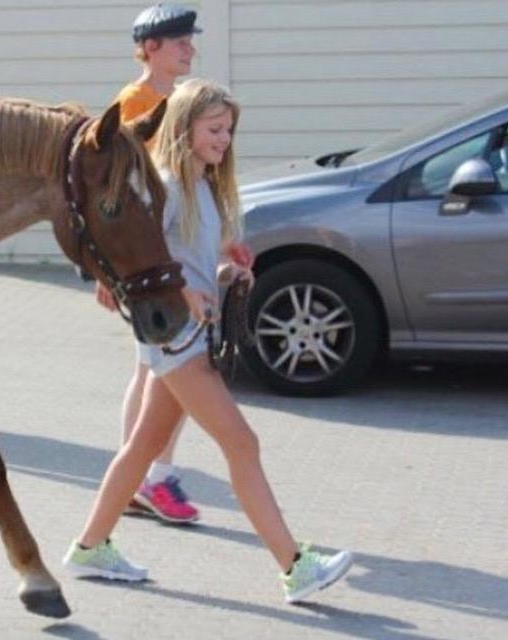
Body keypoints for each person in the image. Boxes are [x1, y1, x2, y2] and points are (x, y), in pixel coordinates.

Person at [64, 79, 354, 604]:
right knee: (242, 443)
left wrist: (225, 270)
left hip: (187, 332)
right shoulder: (169, 186)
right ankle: (295, 567)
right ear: (184, 127)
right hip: (175, 334)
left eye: (229, 130)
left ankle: (90, 547)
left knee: (143, 446)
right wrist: (181, 292)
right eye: (214, 128)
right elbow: (142, 256)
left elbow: (191, 258)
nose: (224, 139)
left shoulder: (201, 183)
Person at [95, 2, 210, 524]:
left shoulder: (181, 100)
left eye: (190, 40)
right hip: (152, 266)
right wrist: (110, 271)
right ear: (150, 48)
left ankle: (143, 477)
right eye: (180, 41)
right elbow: (113, 192)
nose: (190, 49)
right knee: (169, 371)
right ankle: (152, 477)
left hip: (175, 258)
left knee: (152, 370)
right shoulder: (133, 105)